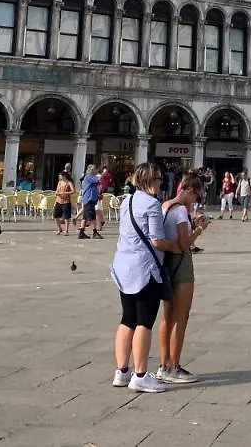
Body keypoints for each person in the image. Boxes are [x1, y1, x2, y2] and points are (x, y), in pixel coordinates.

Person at [110, 163, 179, 394]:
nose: (162, 183)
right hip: (144, 270)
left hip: (123, 266)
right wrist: (175, 246)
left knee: (127, 318)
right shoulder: (151, 204)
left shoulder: (126, 201)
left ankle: (122, 371)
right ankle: (140, 375)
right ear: (151, 180)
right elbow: (157, 240)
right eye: (159, 179)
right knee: (144, 321)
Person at [157, 173, 205, 384]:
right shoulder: (180, 211)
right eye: (195, 195)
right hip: (181, 264)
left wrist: (190, 224)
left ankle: (163, 363)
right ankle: (174, 366)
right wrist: (200, 230)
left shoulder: (165, 206)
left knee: (167, 316)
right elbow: (186, 244)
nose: (195, 200)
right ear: (186, 189)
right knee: (181, 316)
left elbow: (172, 236)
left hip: (166, 262)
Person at [78, 165, 104, 240]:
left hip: (90, 200)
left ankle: (81, 233)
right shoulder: (89, 177)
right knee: (92, 217)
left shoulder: (90, 177)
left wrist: (98, 194)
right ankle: (94, 232)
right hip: (89, 200)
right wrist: (103, 173)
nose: (96, 171)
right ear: (92, 170)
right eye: (95, 170)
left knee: (85, 217)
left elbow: (98, 185)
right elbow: (99, 180)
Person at [54, 170, 76, 236]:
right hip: (58, 200)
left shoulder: (69, 183)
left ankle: (66, 230)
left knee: (66, 216)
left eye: (61, 176)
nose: (60, 177)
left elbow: (73, 191)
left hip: (66, 201)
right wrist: (57, 193)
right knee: (56, 215)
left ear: (64, 176)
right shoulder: (59, 182)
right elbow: (57, 190)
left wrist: (65, 193)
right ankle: (59, 228)